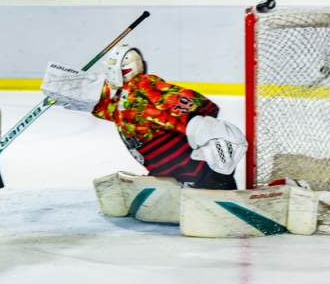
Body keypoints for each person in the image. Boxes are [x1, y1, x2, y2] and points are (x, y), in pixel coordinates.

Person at [41, 45, 246, 190]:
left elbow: (192, 104)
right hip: (176, 173)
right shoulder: (121, 100)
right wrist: (67, 85)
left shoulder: (142, 88)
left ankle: (216, 185)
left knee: (202, 128)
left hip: (201, 175)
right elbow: (102, 100)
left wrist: (202, 127)